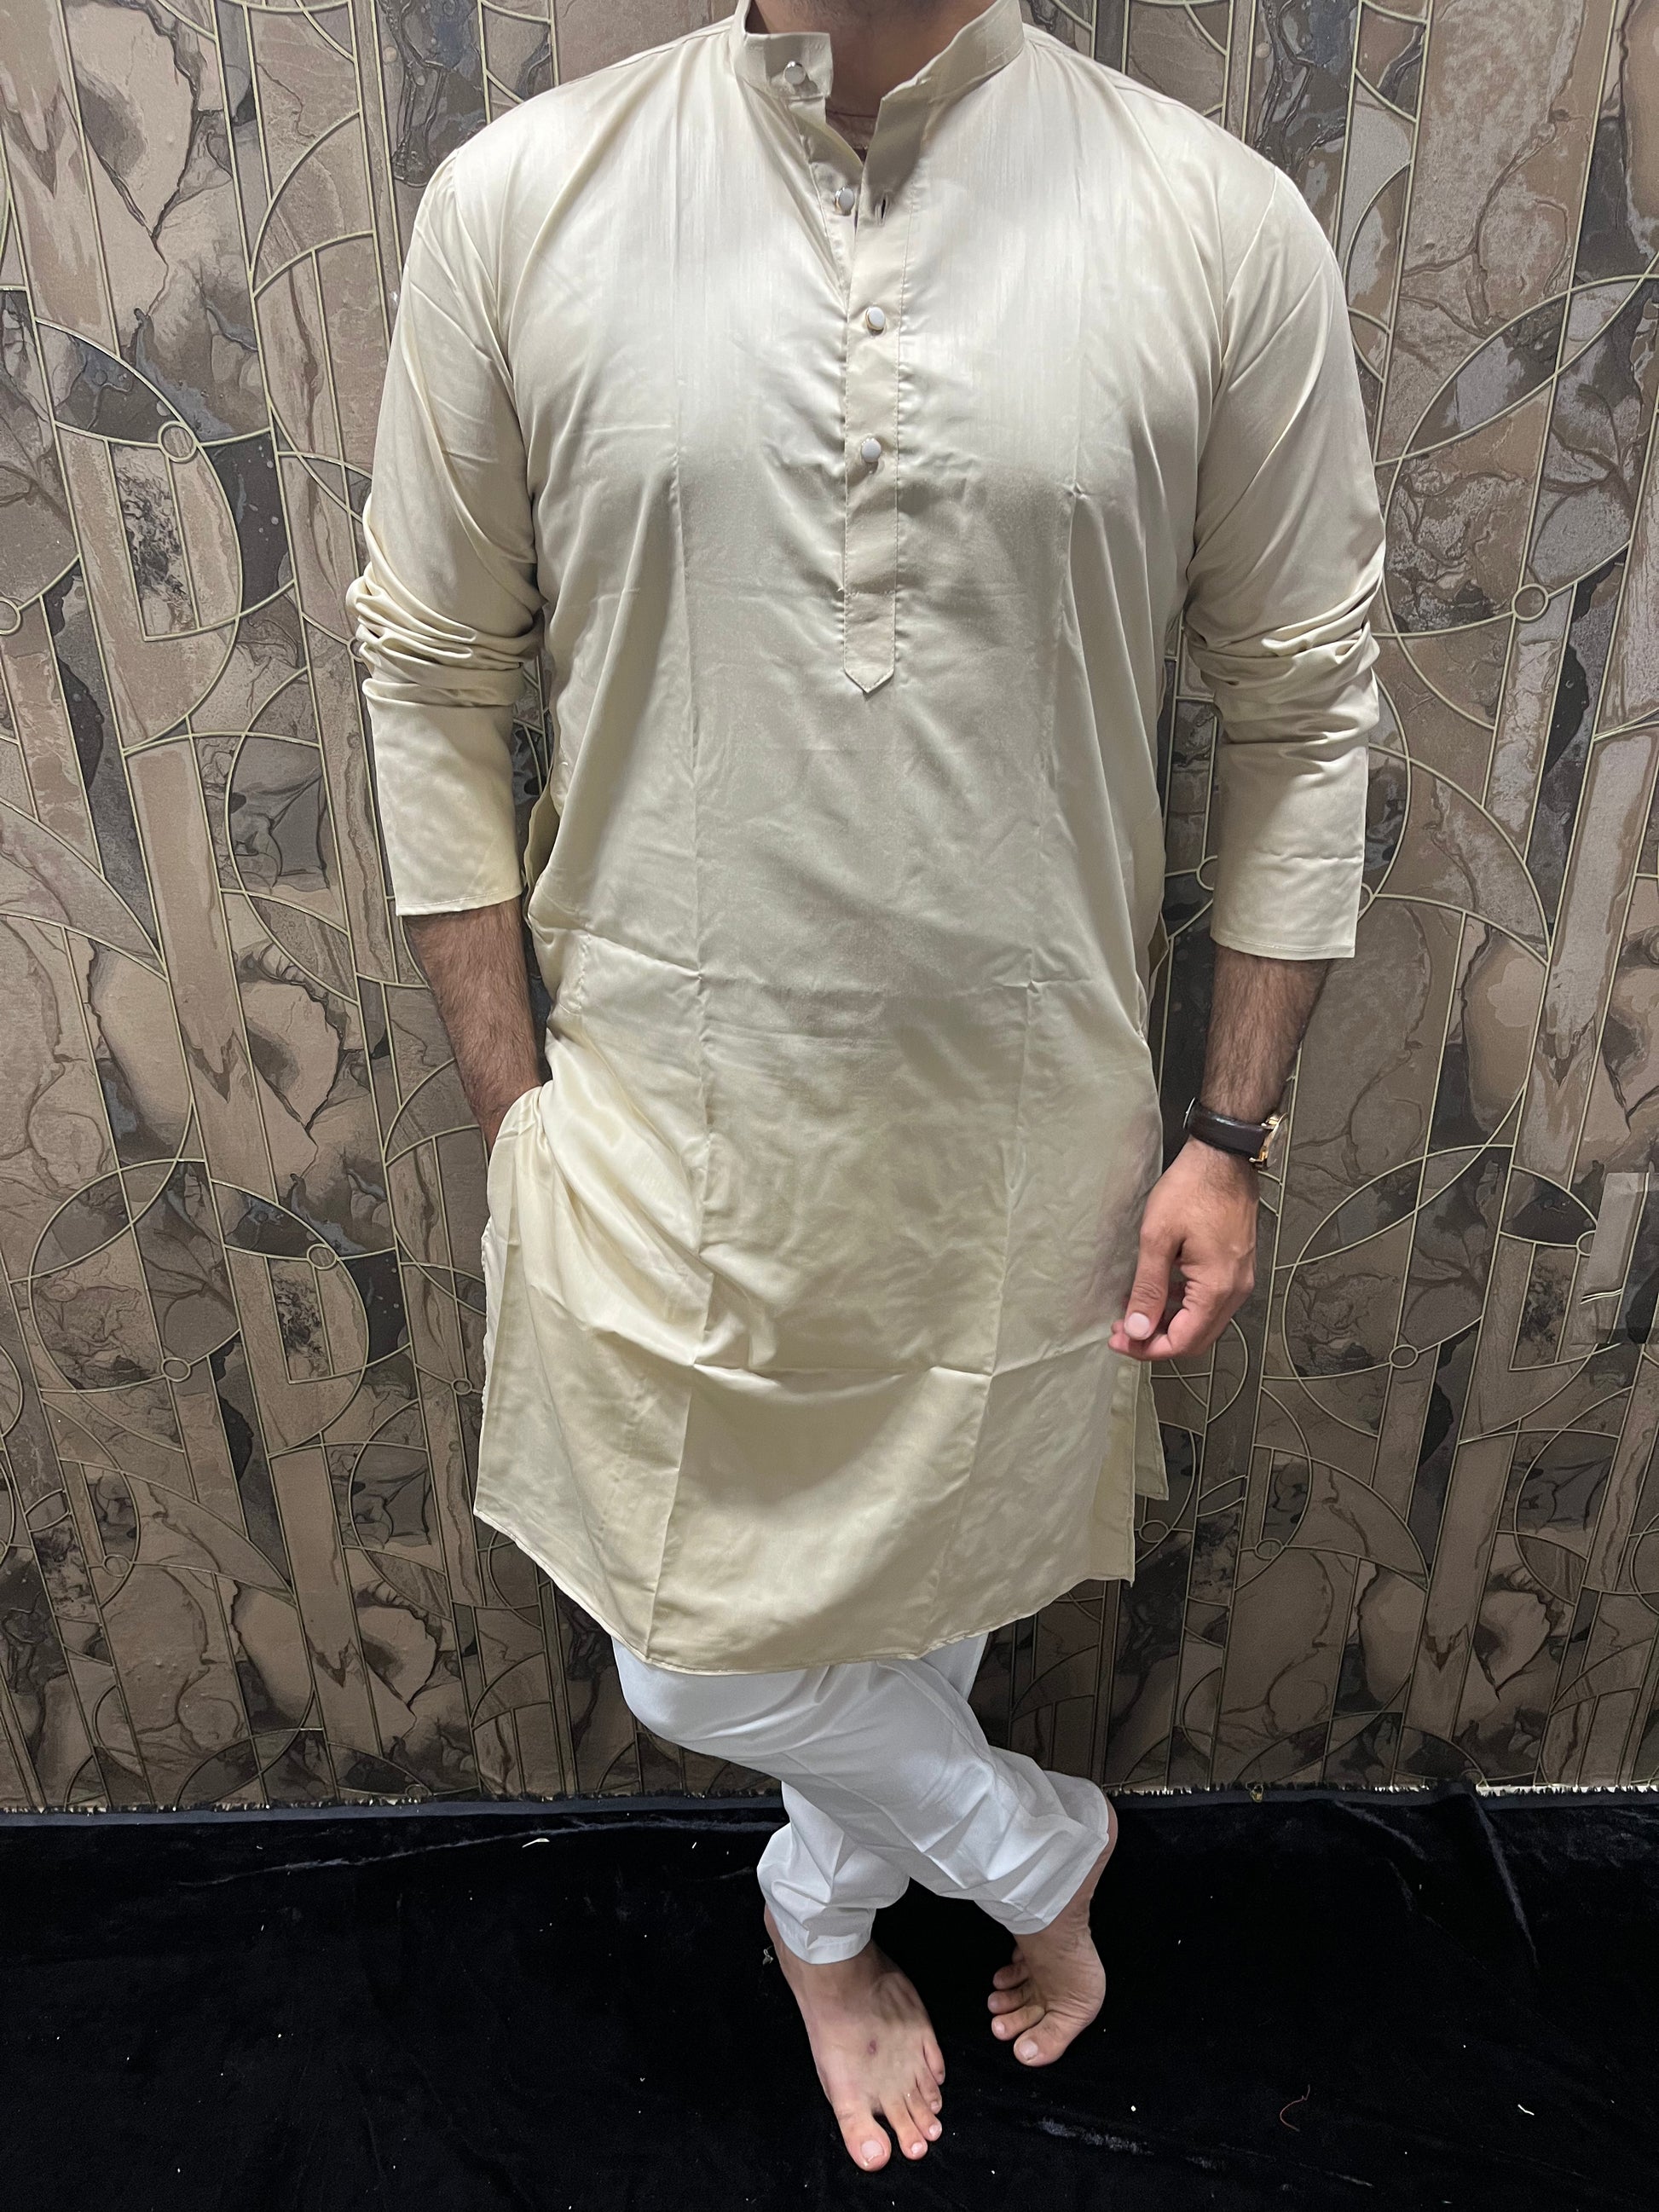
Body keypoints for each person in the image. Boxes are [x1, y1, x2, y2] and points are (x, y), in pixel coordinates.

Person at [346, 0, 1385, 2174]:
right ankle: (1039, 1847)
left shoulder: (1214, 225)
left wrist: (1227, 1131)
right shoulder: (522, 201)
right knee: (687, 1659)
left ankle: (819, 1921)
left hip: (1022, 1149)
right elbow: (431, 672)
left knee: (926, 1621)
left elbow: (1301, 709)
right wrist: (512, 1107)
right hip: (651, 1133)